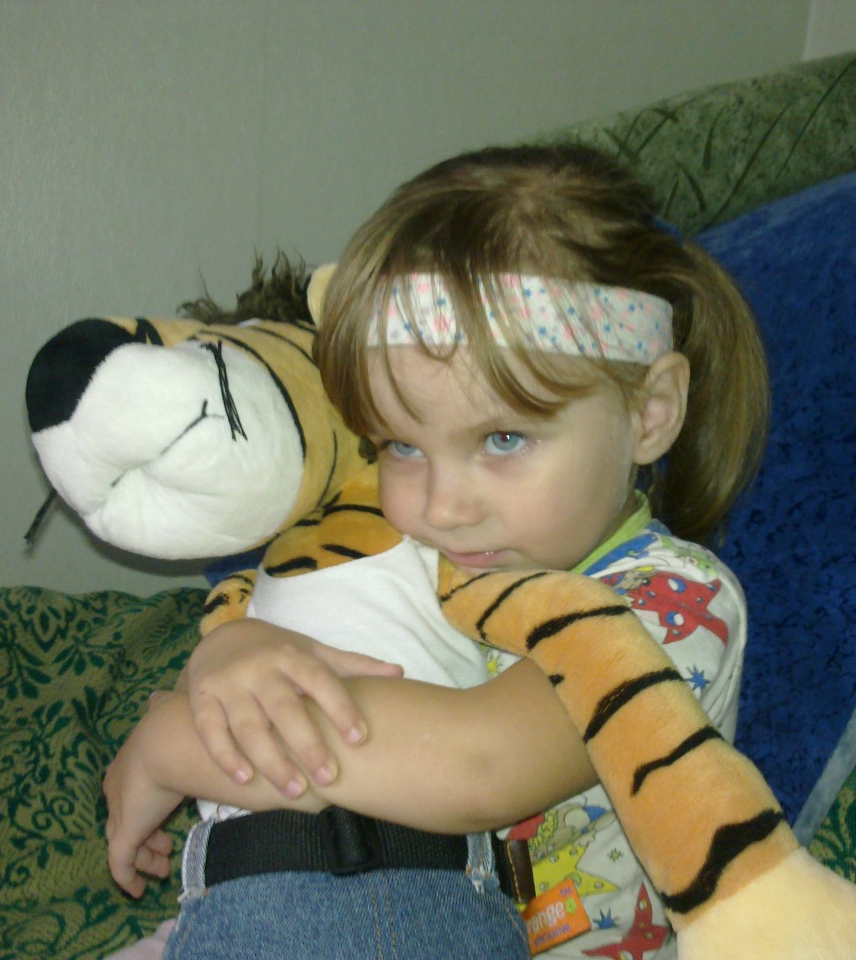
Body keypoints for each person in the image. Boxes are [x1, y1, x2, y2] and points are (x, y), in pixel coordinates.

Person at [103, 142, 769, 960]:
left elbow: (474, 766)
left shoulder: (674, 601)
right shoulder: (427, 558)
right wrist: (232, 652)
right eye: (401, 446)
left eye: (503, 438)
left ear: (649, 411)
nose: (442, 506)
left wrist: (173, 745)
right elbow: (303, 662)